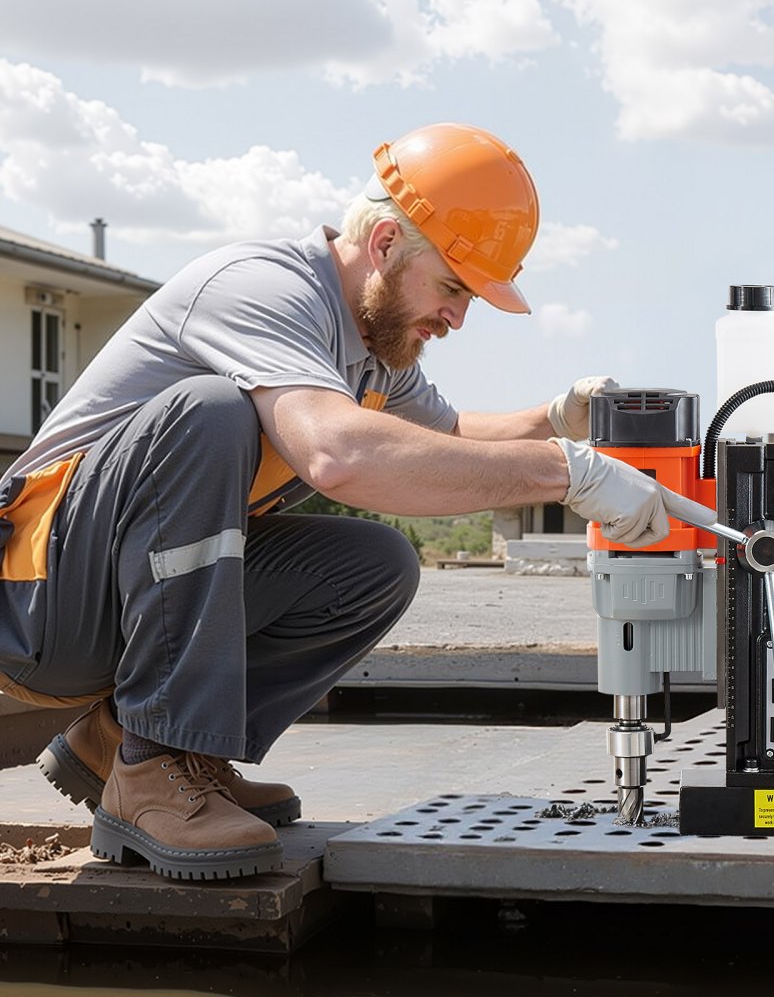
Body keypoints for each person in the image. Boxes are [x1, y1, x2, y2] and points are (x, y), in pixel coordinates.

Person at [0, 122, 698, 881]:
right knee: (211, 411)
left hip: (110, 600)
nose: (459, 319)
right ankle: (152, 766)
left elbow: (449, 434)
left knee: (375, 564)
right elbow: (339, 454)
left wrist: (558, 417)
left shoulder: (373, 344)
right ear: (388, 241)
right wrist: (562, 474)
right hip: (38, 596)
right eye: (454, 288)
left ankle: (135, 747)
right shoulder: (263, 289)